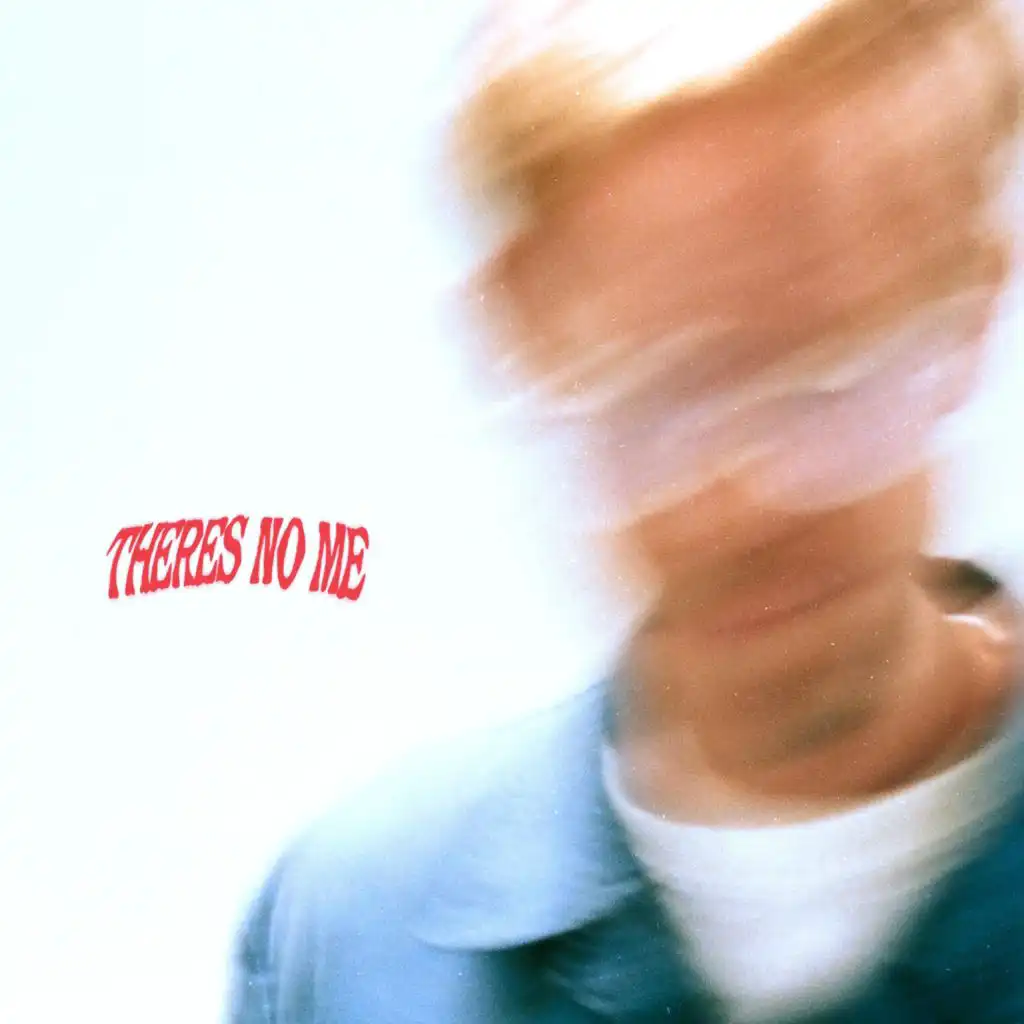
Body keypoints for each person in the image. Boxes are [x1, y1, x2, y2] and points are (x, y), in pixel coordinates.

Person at [228, 1, 1024, 1020]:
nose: (738, 498)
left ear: (970, 306)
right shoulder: (353, 939)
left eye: (825, 379)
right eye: (654, 395)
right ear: (523, 337)